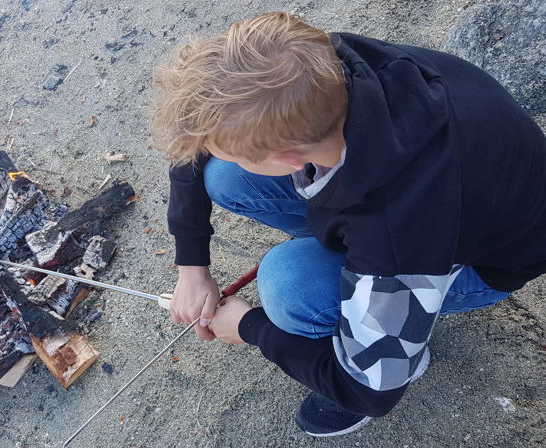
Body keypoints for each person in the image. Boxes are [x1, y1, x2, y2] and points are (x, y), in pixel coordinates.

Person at [149, 12, 546, 437]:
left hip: (477, 262)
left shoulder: (396, 235)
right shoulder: (327, 63)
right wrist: (192, 266)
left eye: (237, 150)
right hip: (440, 196)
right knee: (224, 176)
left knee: (289, 283)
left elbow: (369, 391)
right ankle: (355, 280)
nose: (218, 151)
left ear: (287, 158)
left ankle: (397, 343)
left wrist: (249, 327)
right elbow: (200, 140)